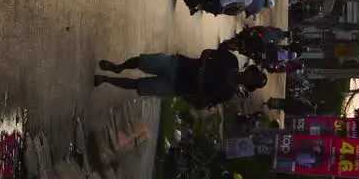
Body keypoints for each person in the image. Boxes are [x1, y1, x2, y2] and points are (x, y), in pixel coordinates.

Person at [94, 49, 267, 107]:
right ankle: (118, 67)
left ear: (249, 86)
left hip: (176, 88)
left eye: (253, 82)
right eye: (253, 75)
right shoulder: (231, 59)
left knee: (138, 86)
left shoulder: (227, 94)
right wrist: (203, 67)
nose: (250, 78)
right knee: (142, 61)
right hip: (178, 64)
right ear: (250, 70)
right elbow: (207, 52)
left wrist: (196, 92)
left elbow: (204, 101)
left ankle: (105, 80)